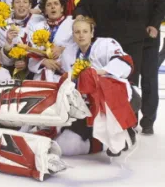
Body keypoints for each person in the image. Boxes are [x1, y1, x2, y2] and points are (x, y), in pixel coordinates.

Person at [56, 17, 138, 157]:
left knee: (119, 141)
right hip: (84, 107)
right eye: (77, 32)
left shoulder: (105, 44)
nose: (81, 35)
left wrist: (96, 73)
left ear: (92, 33)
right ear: (73, 35)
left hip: (114, 101)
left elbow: (126, 63)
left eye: (85, 31)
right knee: (64, 145)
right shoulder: (69, 53)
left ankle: (125, 130)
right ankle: (98, 141)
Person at [75, 0, 147, 86]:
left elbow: (139, 11)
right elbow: (82, 5)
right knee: (101, 84)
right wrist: (80, 16)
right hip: (103, 44)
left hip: (129, 43)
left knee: (127, 85)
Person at [124, 0, 165, 135]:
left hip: (148, 34)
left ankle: (148, 121)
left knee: (149, 78)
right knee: (127, 79)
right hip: (124, 35)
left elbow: (161, 1)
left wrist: (155, 25)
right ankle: (128, 118)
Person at [0, 0, 45, 78]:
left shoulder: (40, 21)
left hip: (35, 70)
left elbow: (44, 50)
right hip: (11, 71)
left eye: (25, 2)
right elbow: (2, 61)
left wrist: (28, 61)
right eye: (17, 2)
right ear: (12, 6)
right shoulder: (3, 25)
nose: (21, 5)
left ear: (30, 5)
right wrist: (8, 42)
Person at [29, 0, 74, 82]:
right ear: (45, 11)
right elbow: (31, 54)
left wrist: (62, 49)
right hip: (42, 76)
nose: (53, 7)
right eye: (49, 5)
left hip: (66, 74)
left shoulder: (72, 23)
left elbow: (81, 45)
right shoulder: (36, 27)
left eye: (56, 4)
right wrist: (43, 62)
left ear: (62, 8)